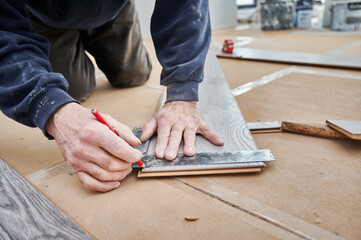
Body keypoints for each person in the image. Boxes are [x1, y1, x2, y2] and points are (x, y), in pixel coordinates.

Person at [0, 0, 224, 192]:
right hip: (48, 18)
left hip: (112, 9)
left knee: (135, 75)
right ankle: (69, 43)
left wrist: (183, 95)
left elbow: (185, 6)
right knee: (74, 89)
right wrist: (55, 109)